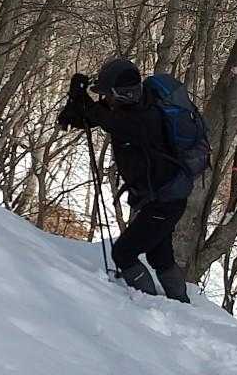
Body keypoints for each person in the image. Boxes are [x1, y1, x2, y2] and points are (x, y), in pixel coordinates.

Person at [57, 56, 192, 301]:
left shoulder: (141, 120)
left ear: (122, 95)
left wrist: (81, 98)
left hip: (164, 202)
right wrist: (75, 102)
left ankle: (146, 307)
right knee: (160, 256)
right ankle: (181, 306)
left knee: (123, 254)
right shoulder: (136, 105)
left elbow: (103, 118)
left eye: (108, 94)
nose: (106, 99)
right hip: (160, 197)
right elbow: (92, 117)